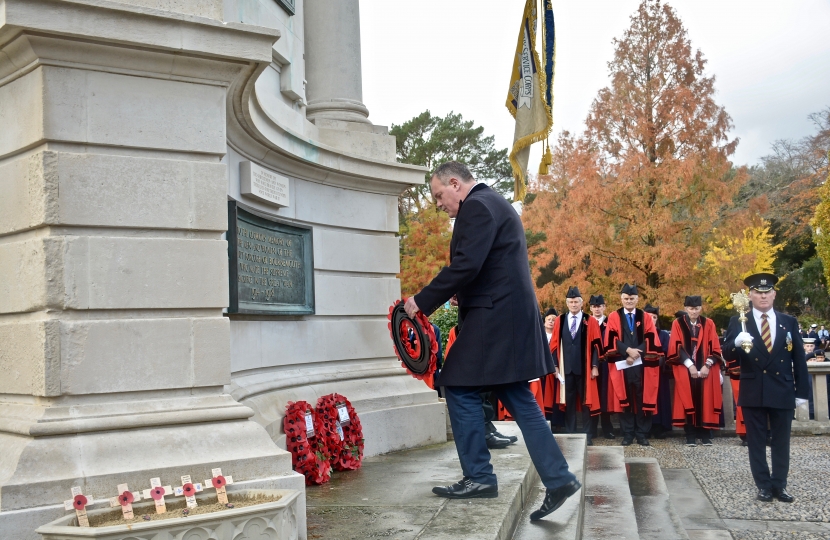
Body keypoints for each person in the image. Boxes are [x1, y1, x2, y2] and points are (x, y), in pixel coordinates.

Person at [405, 161, 580, 520]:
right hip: (507, 316)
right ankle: (559, 478)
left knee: (455, 384)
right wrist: (464, 294)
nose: (439, 204)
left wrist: (421, 301)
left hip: (495, 319)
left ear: (455, 183)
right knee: (517, 397)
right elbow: (487, 267)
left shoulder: (477, 207)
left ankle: (480, 476)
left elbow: (466, 265)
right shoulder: (494, 203)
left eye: (439, 195)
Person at [723, 273, 809, 503]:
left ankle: (779, 485)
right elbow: (726, 354)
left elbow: (798, 358)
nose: (763, 296)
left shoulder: (788, 321)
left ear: (774, 294)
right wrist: (735, 343)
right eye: (758, 293)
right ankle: (763, 485)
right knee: (756, 442)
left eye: (767, 292)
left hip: (782, 388)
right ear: (750, 296)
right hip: (754, 388)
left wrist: (802, 392)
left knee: (782, 442)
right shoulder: (739, 321)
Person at [602, 284, 662, 446]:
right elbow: (611, 339)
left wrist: (635, 354)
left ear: (637, 299)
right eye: (626, 298)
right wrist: (628, 351)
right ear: (621, 299)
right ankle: (628, 434)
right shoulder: (614, 316)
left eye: (632, 298)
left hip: (642, 365)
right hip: (622, 364)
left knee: (643, 398)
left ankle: (642, 433)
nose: (629, 301)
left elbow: (651, 338)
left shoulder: (645, 316)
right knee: (625, 398)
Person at [543, 287, 601, 445]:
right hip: (565, 369)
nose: (574, 304)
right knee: (567, 402)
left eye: (576, 302)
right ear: (567, 303)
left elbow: (597, 345)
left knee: (586, 402)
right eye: (571, 302)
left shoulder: (591, 320)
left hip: (585, 368)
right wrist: (554, 365)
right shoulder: (560, 320)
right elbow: (554, 345)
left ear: (582, 303)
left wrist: (595, 366)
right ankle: (570, 433)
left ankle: (588, 435)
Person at [667, 296, 724, 447]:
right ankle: (690, 435)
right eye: (691, 309)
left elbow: (715, 346)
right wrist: (690, 365)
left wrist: (707, 365)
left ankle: (705, 435)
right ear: (686, 308)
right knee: (687, 399)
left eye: (697, 308)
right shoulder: (678, 323)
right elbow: (676, 346)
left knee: (706, 399)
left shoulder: (708, 323)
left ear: (701, 308)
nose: (694, 311)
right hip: (686, 368)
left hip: (706, 369)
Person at [589, 295, 615, 439]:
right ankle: (591, 429)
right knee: (592, 396)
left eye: (599, 306)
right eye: (594, 306)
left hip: (606, 364)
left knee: (605, 396)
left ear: (604, 307)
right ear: (591, 308)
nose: (597, 309)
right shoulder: (587, 323)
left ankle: (607, 428)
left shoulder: (610, 323)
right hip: (591, 365)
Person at [644, 304, 672, 439]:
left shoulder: (664, 335)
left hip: (660, 372)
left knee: (661, 399)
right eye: (648, 316)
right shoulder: (638, 334)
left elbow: (667, 351)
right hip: (643, 372)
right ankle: (646, 427)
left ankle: (659, 427)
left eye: (654, 317)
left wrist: (659, 361)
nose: (651, 319)